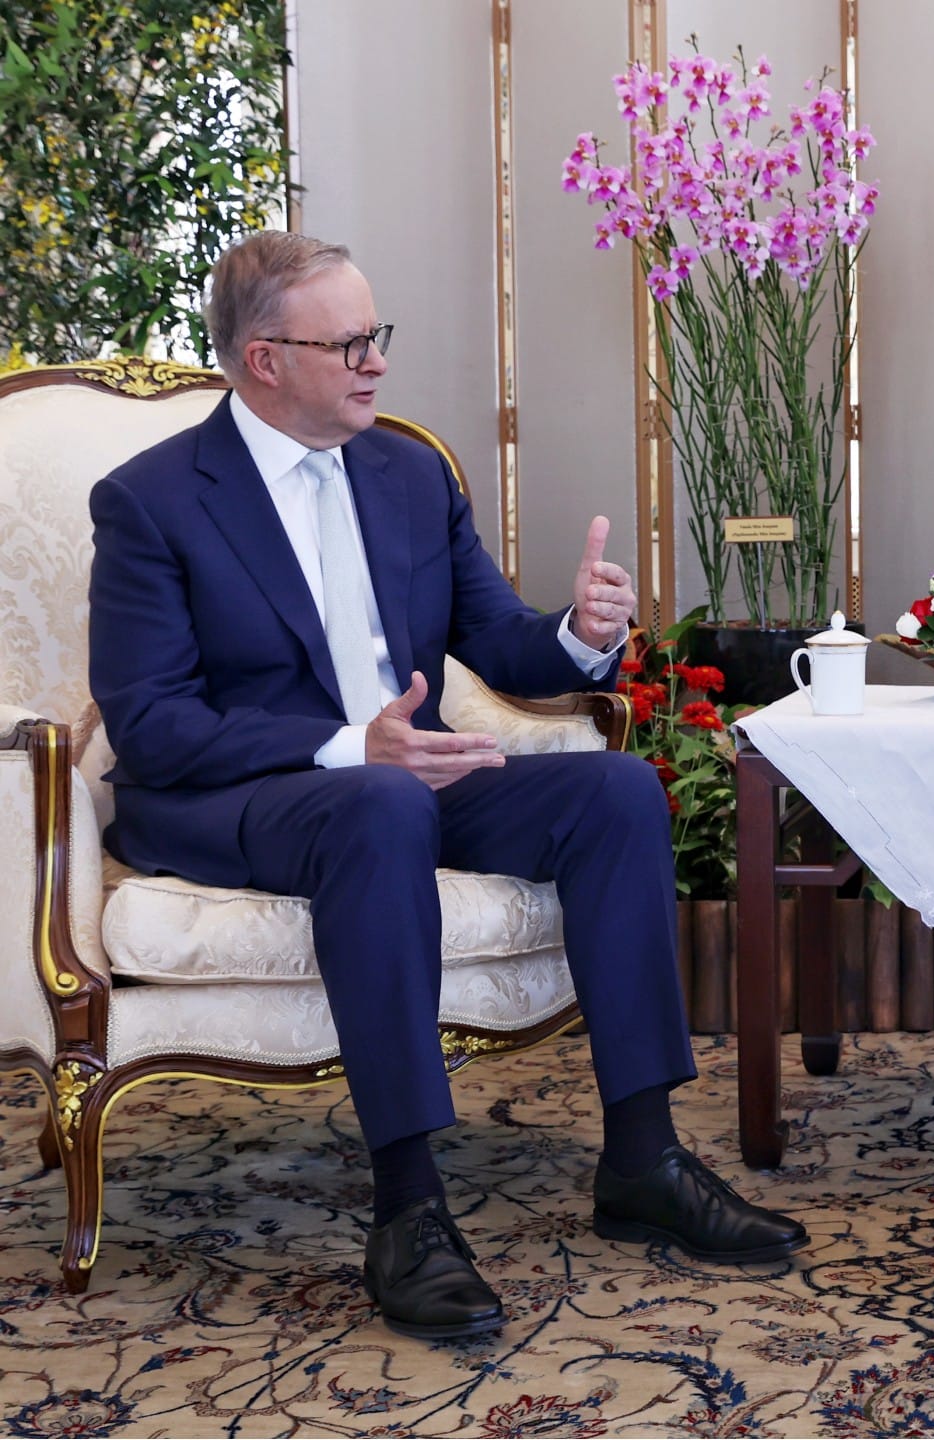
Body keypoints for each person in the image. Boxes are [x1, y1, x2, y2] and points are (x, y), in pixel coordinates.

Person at [88, 231, 806, 1342]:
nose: (377, 361)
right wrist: (346, 746)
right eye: (352, 342)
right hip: (246, 794)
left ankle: (643, 1158)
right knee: (380, 802)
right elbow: (152, 723)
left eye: (380, 336)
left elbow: (495, 641)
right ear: (265, 359)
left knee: (613, 793)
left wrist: (578, 633)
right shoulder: (153, 501)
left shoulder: (410, 472)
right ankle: (411, 1207)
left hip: (404, 775)